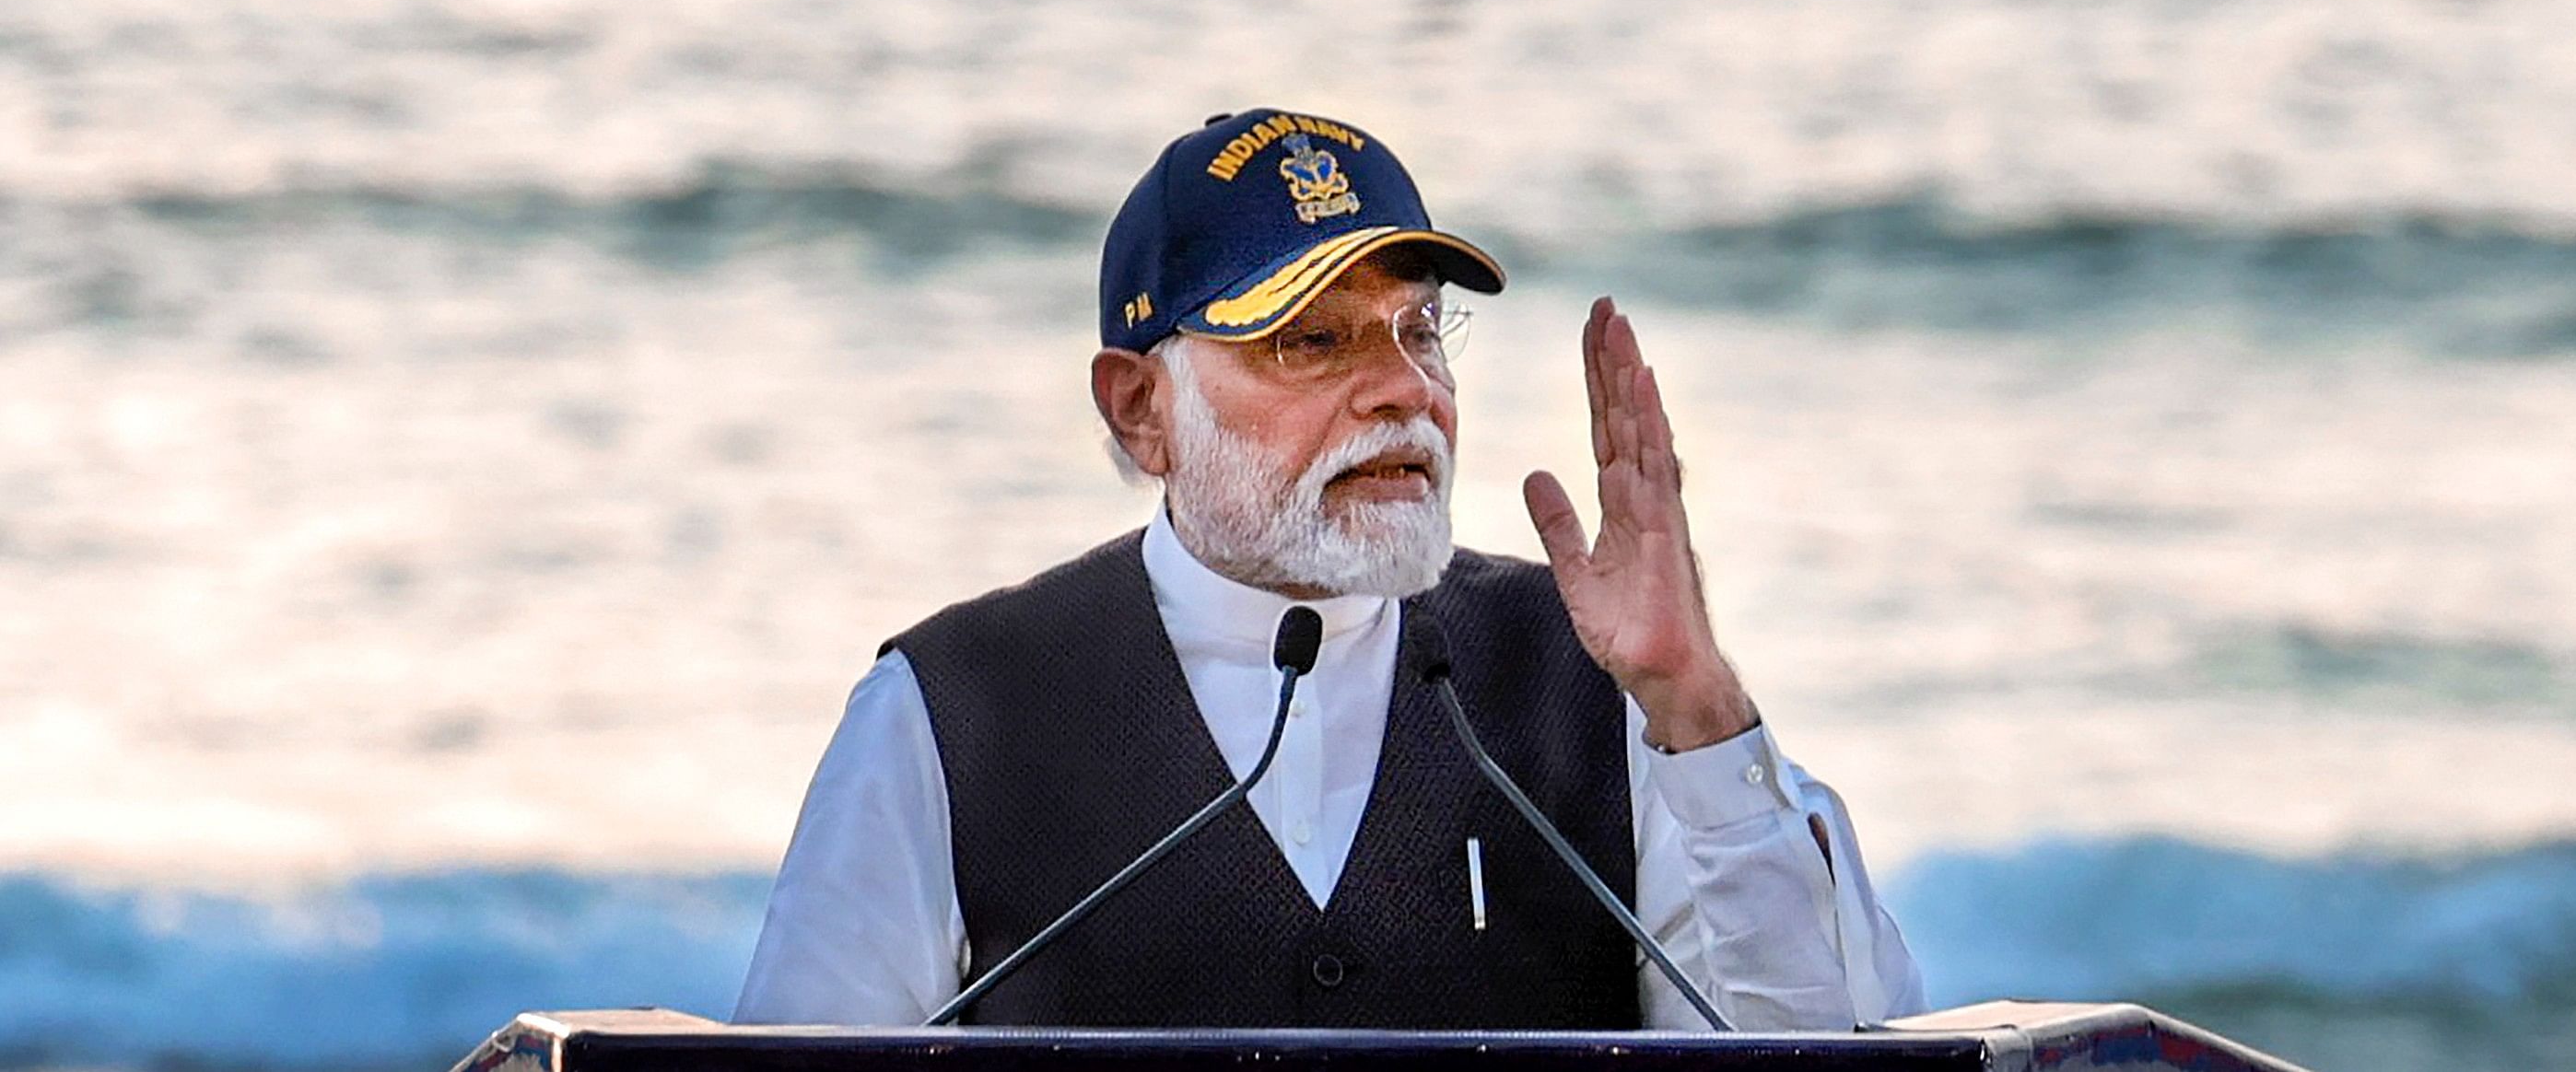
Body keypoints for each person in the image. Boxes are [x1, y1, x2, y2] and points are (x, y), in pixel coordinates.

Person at [736, 109, 1926, 1030]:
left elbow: (1833, 1054)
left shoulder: (1609, 689)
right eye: (1312, 340)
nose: (1405, 390)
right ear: (1143, 408)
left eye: (1418, 332)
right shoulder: (950, 716)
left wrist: (1700, 708)